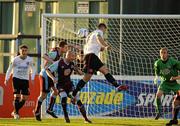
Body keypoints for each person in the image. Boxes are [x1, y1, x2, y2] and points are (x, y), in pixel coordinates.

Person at [71, 23, 128, 98]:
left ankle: (117, 86)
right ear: (103, 28)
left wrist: (105, 48)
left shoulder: (90, 36)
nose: (104, 32)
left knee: (101, 71)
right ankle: (74, 93)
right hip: (91, 57)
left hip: (91, 57)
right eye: (105, 30)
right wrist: (106, 45)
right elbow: (99, 38)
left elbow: (99, 48)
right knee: (89, 77)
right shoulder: (98, 32)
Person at [34, 40, 81, 121]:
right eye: (65, 47)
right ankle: (37, 111)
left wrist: (74, 46)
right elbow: (43, 55)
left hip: (52, 75)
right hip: (45, 74)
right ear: (61, 48)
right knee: (43, 95)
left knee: (56, 92)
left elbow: (65, 45)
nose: (67, 49)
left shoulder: (60, 54)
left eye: (67, 47)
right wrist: (53, 63)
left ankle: (49, 109)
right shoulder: (55, 53)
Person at [46, 51, 92, 123]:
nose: (74, 58)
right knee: (64, 97)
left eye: (74, 56)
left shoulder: (72, 64)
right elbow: (48, 70)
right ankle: (66, 116)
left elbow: (80, 73)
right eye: (73, 56)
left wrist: (86, 72)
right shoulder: (59, 62)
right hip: (60, 84)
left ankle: (86, 118)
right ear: (68, 55)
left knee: (78, 99)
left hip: (69, 84)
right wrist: (52, 78)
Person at [4, 45, 36, 119]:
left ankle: (15, 111)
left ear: (27, 51)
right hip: (16, 79)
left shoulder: (30, 60)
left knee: (25, 97)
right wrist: (6, 78)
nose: (24, 52)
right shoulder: (15, 59)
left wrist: (32, 78)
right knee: (17, 96)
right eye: (22, 50)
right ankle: (16, 114)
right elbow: (9, 69)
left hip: (25, 80)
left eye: (25, 50)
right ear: (20, 51)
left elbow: (33, 69)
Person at [153, 47, 180, 125]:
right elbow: (157, 73)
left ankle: (174, 119)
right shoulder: (157, 63)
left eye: (165, 53)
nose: (163, 54)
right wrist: (156, 78)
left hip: (175, 83)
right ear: (160, 54)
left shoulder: (173, 62)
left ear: (167, 54)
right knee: (158, 95)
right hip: (165, 82)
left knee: (177, 101)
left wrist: (175, 77)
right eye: (161, 53)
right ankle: (159, 112)